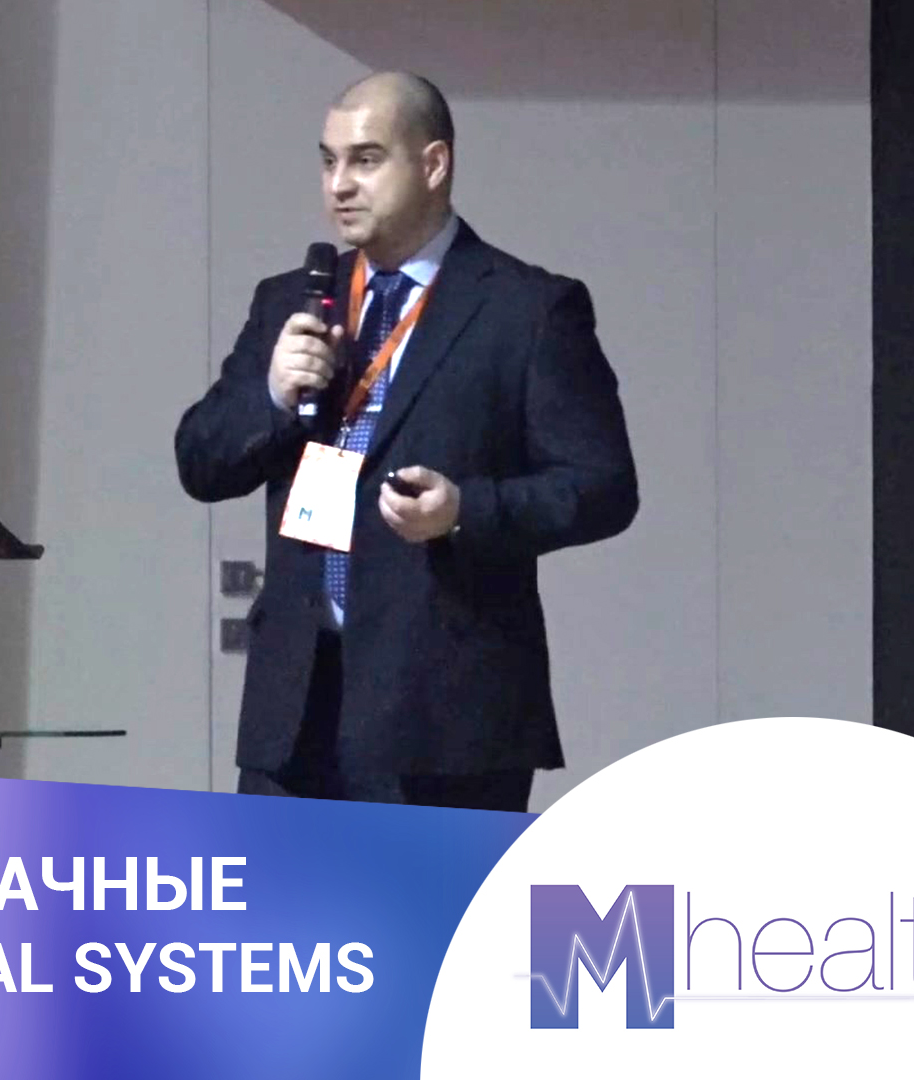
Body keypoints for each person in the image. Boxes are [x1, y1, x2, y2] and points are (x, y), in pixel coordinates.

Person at [173, 72, 638, 811]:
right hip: (295, 714)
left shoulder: (526, 309)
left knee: (427, 896)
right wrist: (273, 393)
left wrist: (464, 512)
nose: (339, 185)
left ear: (433, 165)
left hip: (443, 720)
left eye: (365, 160)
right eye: (328, 161)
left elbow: (603, 486)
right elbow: (200, 461)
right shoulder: (289, 301)